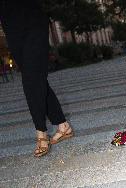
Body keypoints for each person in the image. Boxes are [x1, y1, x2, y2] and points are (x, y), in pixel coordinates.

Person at [0, 0, 73, 157]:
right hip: (10, 25)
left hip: (33, 19)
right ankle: (63, 125)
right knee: (37, 78)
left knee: (31, 79)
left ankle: (41, 133)